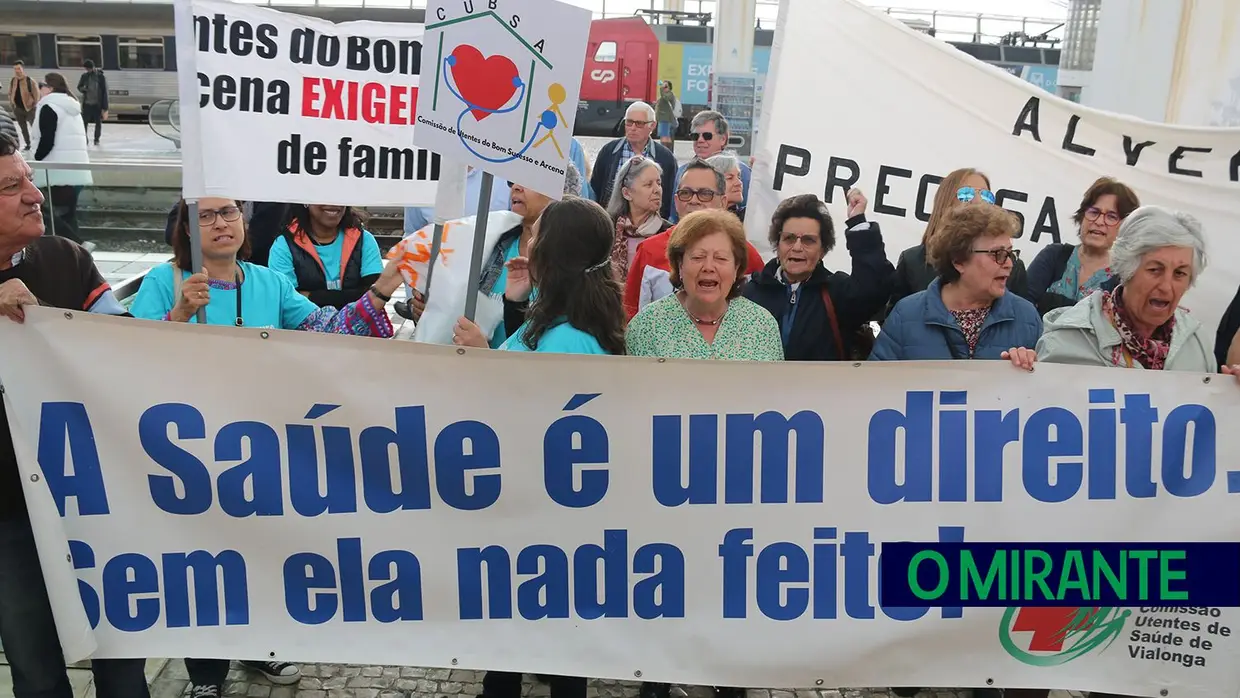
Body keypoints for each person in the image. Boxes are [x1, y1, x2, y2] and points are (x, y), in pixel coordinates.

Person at [0, 131, 151, 698]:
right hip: (8, 512)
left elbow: (122, 344)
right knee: (34, 666)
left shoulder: (67, 258)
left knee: (122, 661)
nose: (34, 196)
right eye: (11, 187)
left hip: (91, 498)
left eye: (30, 181)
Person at [131, 197, 401, 338]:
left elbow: (331, 331)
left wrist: (382, 290)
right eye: (205, 216)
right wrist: (179, 315)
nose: (221, 223)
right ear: (187, 229)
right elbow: (131, 353)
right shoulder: (164, 281)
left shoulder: (271, 283)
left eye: (228, 212)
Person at [1037, 206, 1238, 376]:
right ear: (1127, 270)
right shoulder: (1067, 340)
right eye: (1154, 270)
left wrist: (1229, 396)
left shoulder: (1196, 344)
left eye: (1179, 273)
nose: (1166, 286)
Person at [452, 196, 626, 357]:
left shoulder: (568, 341)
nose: (528, 243)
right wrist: (516, 304)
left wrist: (481, 356)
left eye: (534, 236)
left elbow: (520, 387)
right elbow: (522, 357)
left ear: (553, 253)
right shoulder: (566, 318)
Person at [870, 203, 1040, 367]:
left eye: (1010, 253)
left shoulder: (1027, 317)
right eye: (998, 254)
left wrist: (1032, 369)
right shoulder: (906, 315)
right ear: (958, 261)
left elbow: (1048, 390)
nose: (1009, 264)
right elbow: (877, 388)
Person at [432, 164, 583, 348]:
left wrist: (484, 354)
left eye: (529, 181)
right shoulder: (490, 244)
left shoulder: (573, 266)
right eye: (512, 180)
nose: (515, 187)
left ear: (561, 194)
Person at [744, 191, 894, 361]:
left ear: (823, 250)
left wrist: (857, 223)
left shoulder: (837, 293)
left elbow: (876, 286)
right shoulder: (750, 293)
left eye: (808, 240)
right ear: (777, 244)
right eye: (789, 238)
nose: (797, 247)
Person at [626, 209, 783, 361]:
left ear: (736, 268)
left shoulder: (762, 325)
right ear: (680, 265)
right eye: (698, 257)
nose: (708, 267)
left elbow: (774, 386)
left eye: (720, 258)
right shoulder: (646, 326)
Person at [623, 158, 764, 320]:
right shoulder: (650, 250)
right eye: (686, 193)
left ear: (723, 201)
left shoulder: (744, 253)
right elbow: (631, 315)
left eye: (705, 194)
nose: (694, 200)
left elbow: (757, 314)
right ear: (676, 201)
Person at [886, 168, 1028, 317]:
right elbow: (895, 322)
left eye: (986, 196)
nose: (978, 201)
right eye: (966, 194)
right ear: (946, 202)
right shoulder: (912, 261)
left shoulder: (1013, 268)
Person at [1023, 176, 1139, 315]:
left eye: (1111, 216)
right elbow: (1022, 307)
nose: (1099, 221)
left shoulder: (1124, 280)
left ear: (1125, 227)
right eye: (1094, 212)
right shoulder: (1054, 255)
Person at [268, 204, 385, 309]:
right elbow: (287, 300)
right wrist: (353, 296)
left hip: (357, 330)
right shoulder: (284, 244)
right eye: (324, 196)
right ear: (305, 201)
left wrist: (310, 295)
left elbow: (375, 296)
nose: (333, 204)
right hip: (303, 331)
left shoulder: (364, 239)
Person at [31, 73, 92, 247]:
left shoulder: (49, 106)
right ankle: (78, 251)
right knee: (68, 215)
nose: (39, 88)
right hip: (76, 170)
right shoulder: (72, 106)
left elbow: (47, 140)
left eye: (41, 84)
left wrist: (35, 160)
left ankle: (77, 246)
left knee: (51, 214)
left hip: (56, 171)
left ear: (50, 87)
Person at [589, 101, 678, 218]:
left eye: (639, 124)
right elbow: (595, 189)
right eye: (629, 122)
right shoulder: (609, 151)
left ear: (652, 125)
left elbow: (670, 196)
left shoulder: (665, 158)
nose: (633, 128)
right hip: (612, 222)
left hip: (651, 226)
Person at [668, 111, 751, 223]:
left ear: (723, 139)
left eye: (707, 136)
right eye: (695, 136)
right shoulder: (683, 171)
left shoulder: (742, 171)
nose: (700, 140)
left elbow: (748, 213)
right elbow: (674, 215)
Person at [605, 155, 671, 283]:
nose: (657, 190)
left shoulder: (669, 233)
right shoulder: (607, 229)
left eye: (659, 183)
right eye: (648, 185)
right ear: (627, 193)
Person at [705, 152, 746, 221]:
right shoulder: (700, 220)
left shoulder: (749, 217)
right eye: (730, 178)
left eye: (739, 177)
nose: (739, 183)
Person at [8, 60, 38, 150]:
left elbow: (36, 94)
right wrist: (12, 103)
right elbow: (10, 92)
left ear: (22, 69)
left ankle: (37, 143)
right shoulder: (13, 80)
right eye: (15, 69)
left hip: (30, 108)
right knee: (23, 128)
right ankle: (28, 144)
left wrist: (34, 104)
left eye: (19, 68)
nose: (17, 71)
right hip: (18, 108)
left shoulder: (29, 80)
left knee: (34, 127)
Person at [76, 59, 107, 146]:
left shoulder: (100, 77)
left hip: (97, 103)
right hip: (87, 103)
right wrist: (84, 89)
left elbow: (104, 91)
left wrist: (105, 106)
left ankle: (96, 139)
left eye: (89, 69)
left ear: (93, 67)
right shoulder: (84, 76)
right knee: (84, 122)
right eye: (86, 69)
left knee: (98, 122)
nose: (88, 71)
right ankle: (85, 138)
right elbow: (79, 87)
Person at [654, 80, 682, 148]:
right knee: (666, 136)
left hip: (665, 119)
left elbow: (665, 98)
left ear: (669, 88)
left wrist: (661, 88)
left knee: (664, 137)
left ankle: (665, 150)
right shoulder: (665, 95)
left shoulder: (669, 95)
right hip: (663, 119)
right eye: (663, 86)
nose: (664, 87)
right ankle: (668, 150)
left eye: (666, 86)